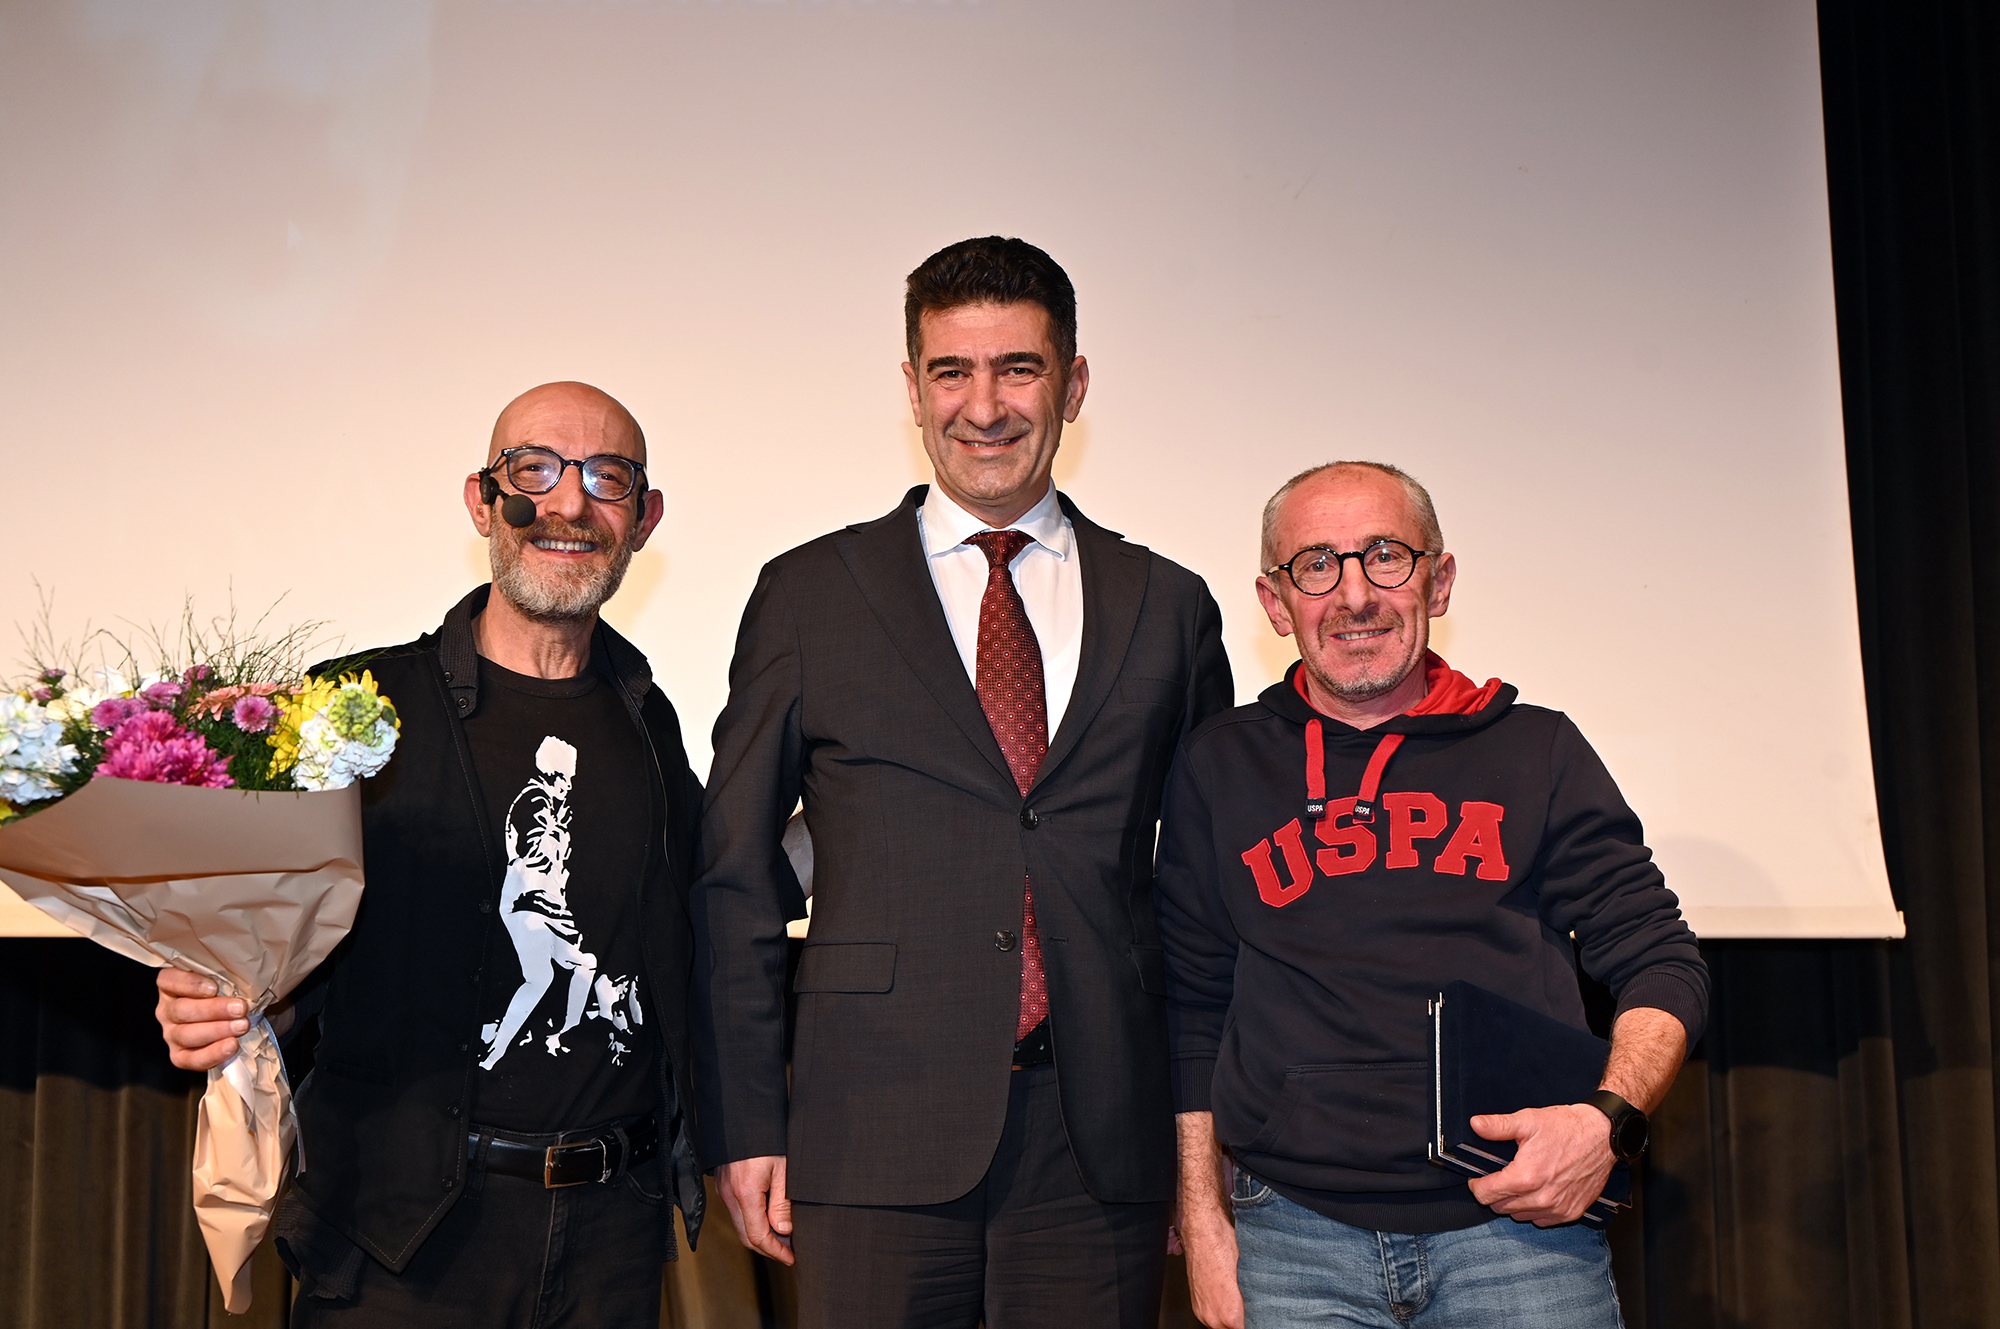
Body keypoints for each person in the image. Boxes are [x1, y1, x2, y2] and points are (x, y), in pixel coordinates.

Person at [692, 236, 1235, 1328]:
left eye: (1017, 369)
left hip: (1102, 1145)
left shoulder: (1167, 606)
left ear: (1072, 385)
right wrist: (745, 1120)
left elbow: (1206, 898)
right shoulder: (808, 594)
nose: (983, 407)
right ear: (912, 389)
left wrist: (1201, 1151)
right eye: (952, 371)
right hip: (868, 1131)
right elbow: (736, 874)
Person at [154, 382, 706, 1327]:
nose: (568, 503)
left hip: (612, 1249)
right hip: (401, 1249)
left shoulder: (651, 722)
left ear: (644, 518)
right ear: (482, 501)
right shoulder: (357, 712)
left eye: (606, 477)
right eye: (534, 470)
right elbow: (280, 955)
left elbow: (699, 916)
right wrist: (227, 1005)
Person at [1158, 461, 1707, 1328]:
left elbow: (1662, 961)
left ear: (1438, 580)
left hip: (1520, 1232)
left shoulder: (1536, 751)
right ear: (1275, 602)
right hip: (1293, 1239)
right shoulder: (1219, 764)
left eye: (1385, 555)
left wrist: (1609, 1121)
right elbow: (1194, 1003)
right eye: (1316, 565)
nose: (1354, 595)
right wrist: (1201, 1215)